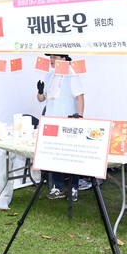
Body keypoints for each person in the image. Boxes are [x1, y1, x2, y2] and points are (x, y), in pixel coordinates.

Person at [36, 53, 85, 199]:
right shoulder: (49, 75)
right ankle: (58, 187)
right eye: (50, 57)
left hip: (67, 120)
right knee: (54, 155)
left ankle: (74, 187)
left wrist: (80, 117)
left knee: (71, 155)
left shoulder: (72, 75)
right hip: (50, 120)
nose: (51, 59)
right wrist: (39, 91)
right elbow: (41, 99)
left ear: (64, 59)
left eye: (55, 57)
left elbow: (80, 96)